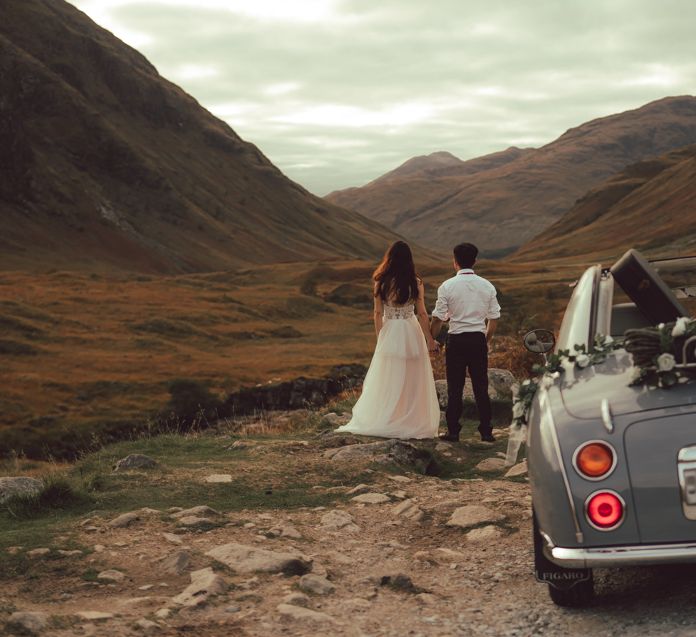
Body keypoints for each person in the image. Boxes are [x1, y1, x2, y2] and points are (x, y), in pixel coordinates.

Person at [336, 241, 440, 439]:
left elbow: (377, 312)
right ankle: (411, 420)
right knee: (413, 378)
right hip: (411, 331)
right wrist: (430, 339)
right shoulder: (415, 282)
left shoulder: (381, 281)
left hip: (390, 330)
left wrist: (380, 338)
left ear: (389, 258)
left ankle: (389, 417)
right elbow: (423, 313)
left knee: (389, 376)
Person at [430, 242, 501, 442]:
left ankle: (453, 430)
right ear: (475, 261)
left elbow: (438, 318)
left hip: (456, 340)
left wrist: (432, 338)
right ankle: (486, 431)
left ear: (455, 262)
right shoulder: (487, 285)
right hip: (477, 338)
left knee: (455, 386)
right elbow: (494, 318)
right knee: (481, 386)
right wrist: (485, 339)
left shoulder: (447, 286)